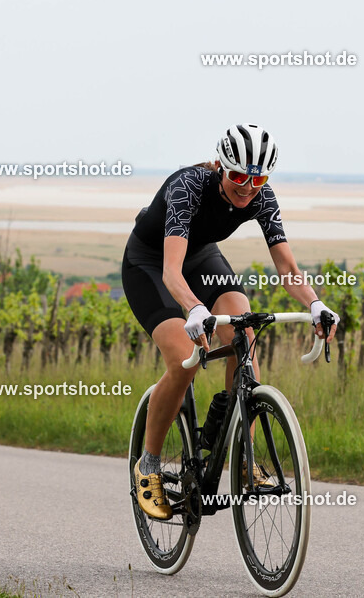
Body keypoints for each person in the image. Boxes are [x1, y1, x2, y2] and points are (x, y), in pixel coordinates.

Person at [123, 124, 340, 520]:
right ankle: (148, 465)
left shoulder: (261, 197)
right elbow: (172, 272)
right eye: (239, 176)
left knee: (244, 330)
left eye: (258, 178)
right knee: (182, 358)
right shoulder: (187, 186)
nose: (248, 187)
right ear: (222, 167)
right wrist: (193, 309)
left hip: (203, 257)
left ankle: (244, 457)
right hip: (152, 264)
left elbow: (287, 266)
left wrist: (315, 303)